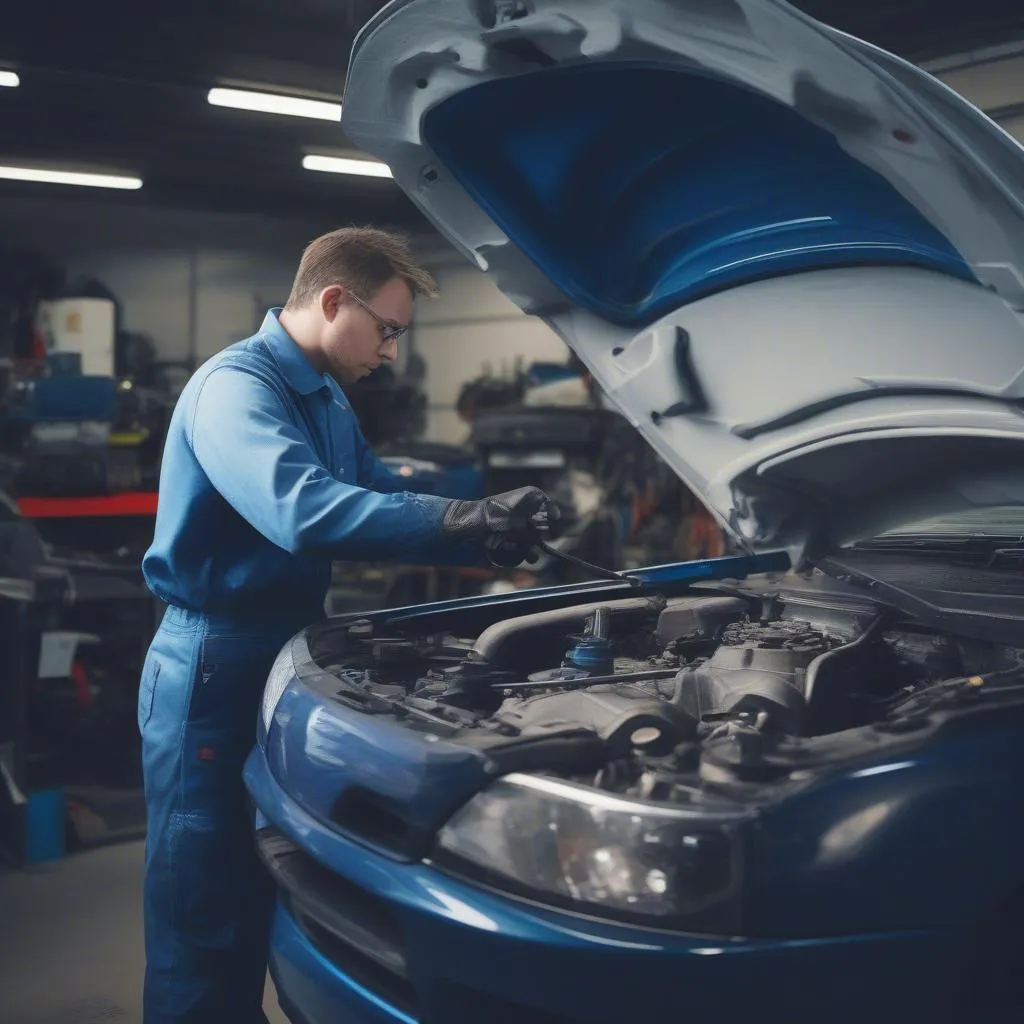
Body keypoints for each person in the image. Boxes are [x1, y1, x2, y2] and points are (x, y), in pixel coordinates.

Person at [138, 227, 555, 1023]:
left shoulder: (324, 396)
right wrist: (461, 515)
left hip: (285, 651)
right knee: (202, 907)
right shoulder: (237, 388)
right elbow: (305, 512)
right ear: (335, 302)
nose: (392, 352)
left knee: (266, 884)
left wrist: (484, 529)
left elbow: (376, 492)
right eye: (389, 329)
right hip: (212, 662)